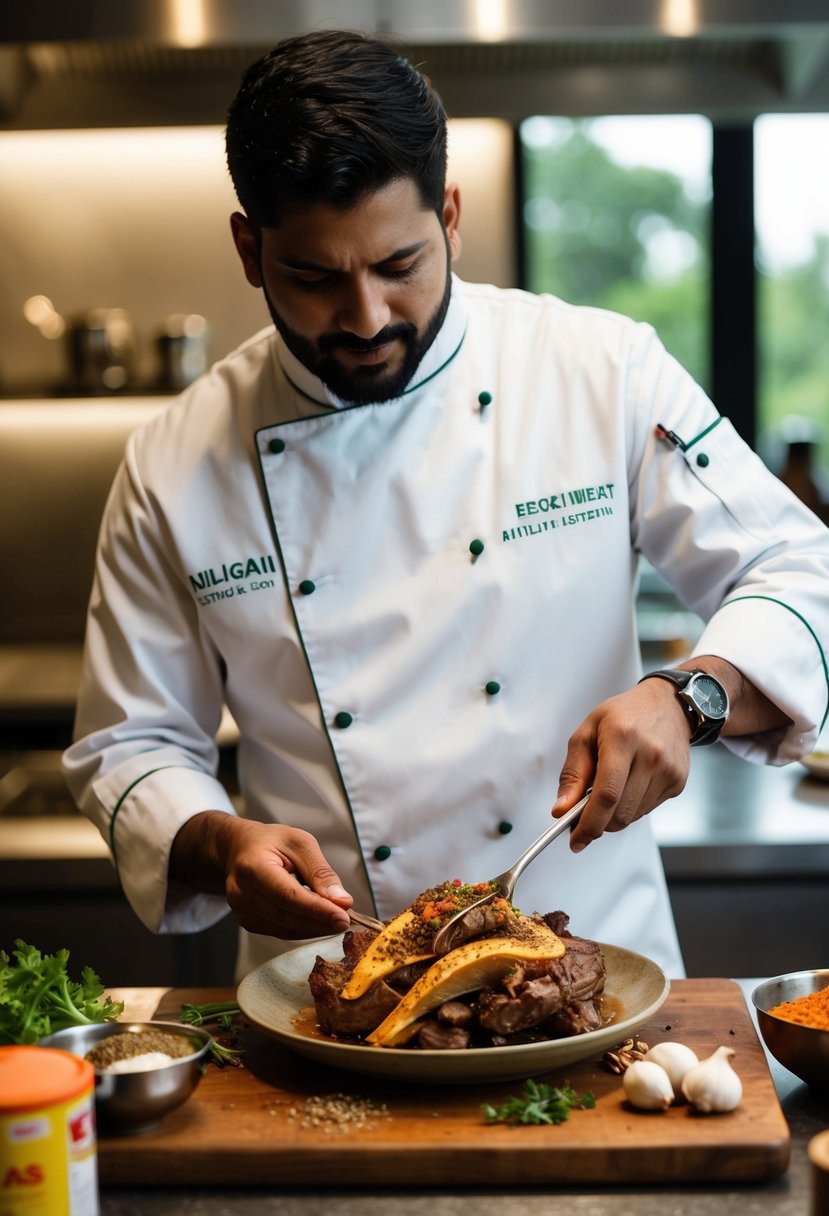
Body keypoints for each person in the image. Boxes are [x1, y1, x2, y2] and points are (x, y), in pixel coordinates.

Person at [62, 30, 829, 980]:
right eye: (313, 276)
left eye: (399, 264)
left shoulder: (598, 371)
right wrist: (218, 846)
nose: (367, 316)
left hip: (595, 978)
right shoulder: (173, 460)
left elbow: (799, 566)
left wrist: (691, 693)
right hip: (325, 992)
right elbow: (126, 741)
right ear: (248, 250)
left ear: (451, 217)